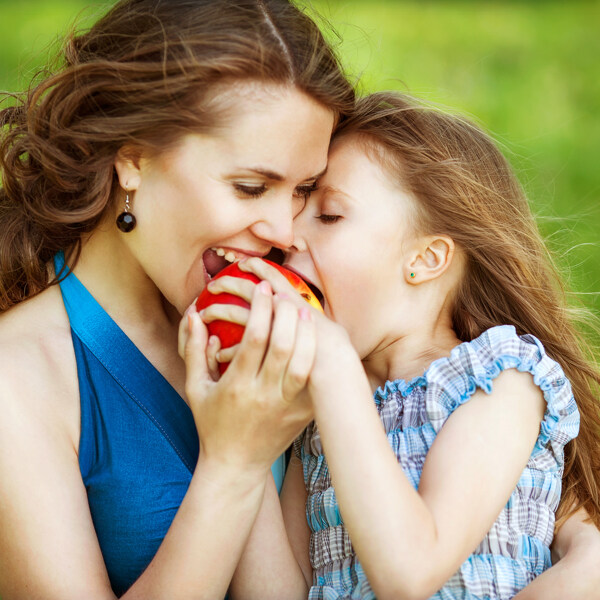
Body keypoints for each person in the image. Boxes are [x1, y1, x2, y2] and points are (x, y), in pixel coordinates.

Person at [0, 0, 355, 598]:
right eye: (250, 186)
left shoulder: (289, 314)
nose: (285, 231)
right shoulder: (20, 381)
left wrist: (574, 535)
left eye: (304, 190)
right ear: (133, 160)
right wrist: (235, 464)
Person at [202, 92, 600, 599]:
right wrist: (247, 440)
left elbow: (410, 574)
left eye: (328, 216)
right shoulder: (317, 411)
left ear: (427, 259)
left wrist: (337, 371)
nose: (289, 235)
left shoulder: (500, 378)